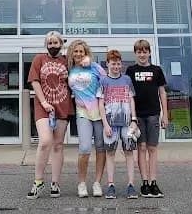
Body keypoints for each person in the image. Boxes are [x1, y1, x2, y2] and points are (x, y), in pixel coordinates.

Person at [26, 31, 73, 199]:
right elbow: (34, 81)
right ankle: (38, 181)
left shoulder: (67, 61)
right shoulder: (39, 59)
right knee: (45, 141)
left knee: (58, 144)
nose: (53, 46)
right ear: (46, 44)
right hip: (43, 106)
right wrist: (44, 102)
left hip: (63, 105)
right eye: (50, 43)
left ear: (61, 44)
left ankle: (55, 183)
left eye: (56, 43)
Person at [126, 38, 168, 198]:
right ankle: (144, 182)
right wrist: (131, 117)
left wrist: (165, 114)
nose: (142, 54)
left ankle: (153, 182)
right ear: (135, 53)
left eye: (145, 51)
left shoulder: (157, 70)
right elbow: (128, 93)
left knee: (152, 148)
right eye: (139, 51)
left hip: (153, 114)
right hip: (137, 116)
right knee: (141, 148)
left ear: (149, 53)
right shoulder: (131, 70)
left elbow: (162, 92)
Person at [67, 38, 106, 198]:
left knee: (100, 147)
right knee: (84, 148)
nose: (78, 54)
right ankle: (81, 184)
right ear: (72, 53)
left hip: (99, 111)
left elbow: (107, 81)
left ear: (86, 53)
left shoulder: (94, 67)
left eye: (81, 51)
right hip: (82, 112)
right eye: (75, 51)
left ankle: (97, 183)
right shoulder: (68, 68)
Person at [98, 49, 140, 199]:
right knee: (110, 153)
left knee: (129, 152)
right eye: (113, 64)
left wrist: (134, 120)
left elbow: (131, 100)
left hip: (127, 123)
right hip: (111, 123)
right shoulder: (103, 81)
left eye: (118, 64)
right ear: (107, 64)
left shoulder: (127, 80)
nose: (116, 66)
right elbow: (101, 103)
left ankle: (131, 185)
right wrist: (105, 124)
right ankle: (110, 185)